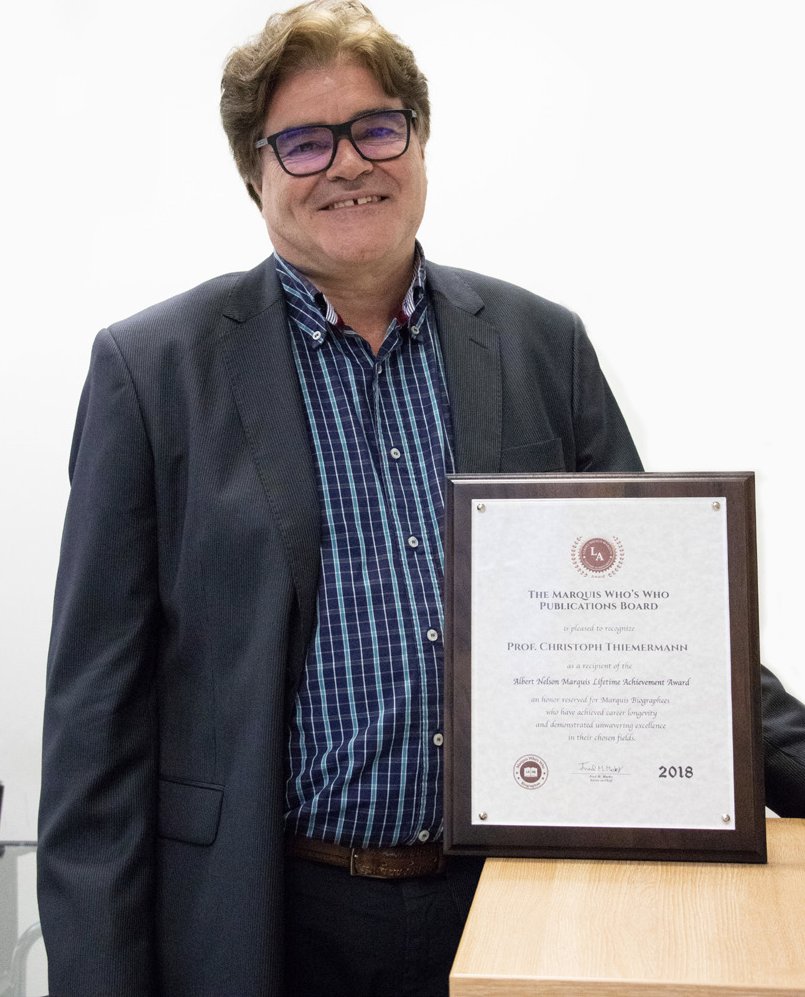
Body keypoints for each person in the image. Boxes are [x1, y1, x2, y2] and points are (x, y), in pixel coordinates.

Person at [37, 2, 805, 995]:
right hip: (266, 914)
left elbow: (660, 621)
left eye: (376, 127)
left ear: (419, 139)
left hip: (518, 901)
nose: (348, 163)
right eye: (304, 142)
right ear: (253, 172)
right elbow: (95, 720)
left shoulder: (540, 345)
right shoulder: (152, 373)